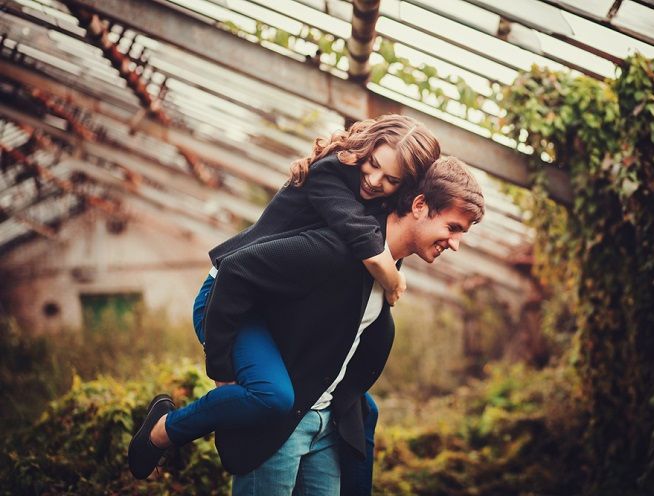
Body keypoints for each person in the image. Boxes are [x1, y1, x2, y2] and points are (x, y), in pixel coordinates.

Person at [128, 114, 440, 483]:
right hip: (228, 295)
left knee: (293, 395)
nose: (374, 181)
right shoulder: (331, 172)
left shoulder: (376, 203)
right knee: (272, 396)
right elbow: (365, 244)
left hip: (264, 305)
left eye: (391, 180)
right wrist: (222, 372)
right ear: (365, 148)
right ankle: (164, 429)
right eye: (373, 165)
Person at [194, 157, 484, 494]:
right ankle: (165, 429)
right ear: (419, 205)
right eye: (452, 228)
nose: (455, 243)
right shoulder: (339, 249)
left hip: (325, 425)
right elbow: (236, 272)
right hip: (280, 428)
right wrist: (224, 374)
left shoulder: (390, 265)